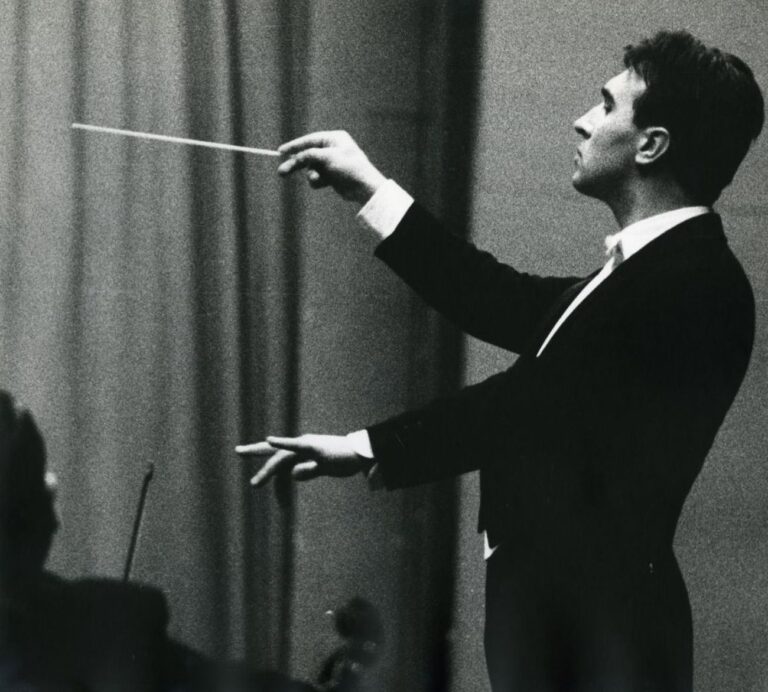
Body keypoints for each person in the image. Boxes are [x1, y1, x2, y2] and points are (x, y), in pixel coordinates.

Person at [236, 30, 764, 692]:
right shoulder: (652, 274)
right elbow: (495, 298)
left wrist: (365, 445)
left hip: (597, 632)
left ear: (652, 144)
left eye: (606, 105)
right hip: (574, 619)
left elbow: (528, 405)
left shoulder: (692, 282)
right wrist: (367, 188)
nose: (583, 119)